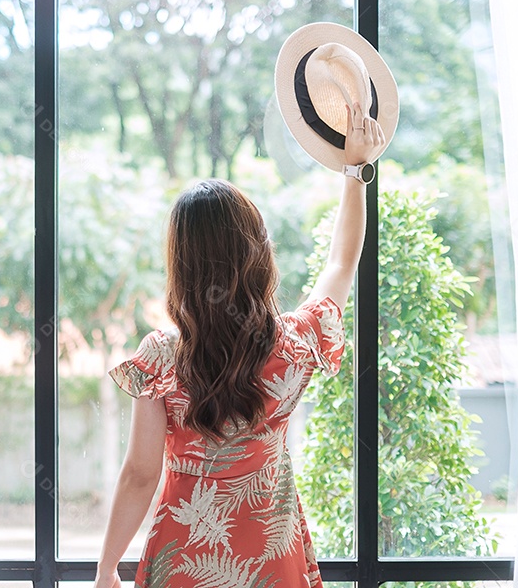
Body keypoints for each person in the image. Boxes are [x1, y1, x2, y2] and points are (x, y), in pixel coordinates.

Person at [93, 99, 387, 588]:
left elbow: (140, 474)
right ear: (258, 254)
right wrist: (355, 172)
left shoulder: (161, 357)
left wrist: (106, 569)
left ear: (181, 266)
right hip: (273, 557)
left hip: (182, 559)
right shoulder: (295, 344)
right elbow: (341, 261)